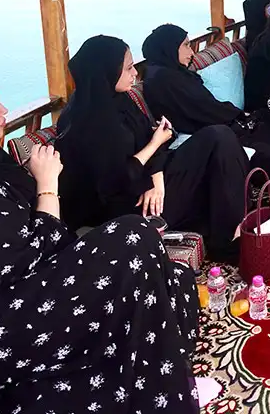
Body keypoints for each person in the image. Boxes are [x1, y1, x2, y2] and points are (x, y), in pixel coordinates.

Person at [0, 63, 203, 414]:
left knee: (164, 272)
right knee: (133, 238)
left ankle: (158, 366)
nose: (4, 111)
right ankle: (159, 388)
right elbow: (28, 260)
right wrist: (47, 184)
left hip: (12, 295)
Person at [55, 35, 248, 261]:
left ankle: (231, 229)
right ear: (106, 72)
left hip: (147, 182)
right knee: (216, 157)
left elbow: (147, 136)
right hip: (130, 208)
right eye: (128, 68)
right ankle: (227, 242)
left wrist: (156, 176)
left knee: (217, 136)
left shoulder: (118, 100)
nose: (135, 73)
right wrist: (155, 145)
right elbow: (113, 183)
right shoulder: (84, 122)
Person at [141, 24, 270, 192]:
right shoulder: (163, 81)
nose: (192, 52)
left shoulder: (173, 73)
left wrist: (240, 115)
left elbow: (206, 106)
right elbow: (201, 111)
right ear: (170, 48)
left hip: (228, 123)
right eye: (186, 45)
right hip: (218, 136)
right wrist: (238, 115)